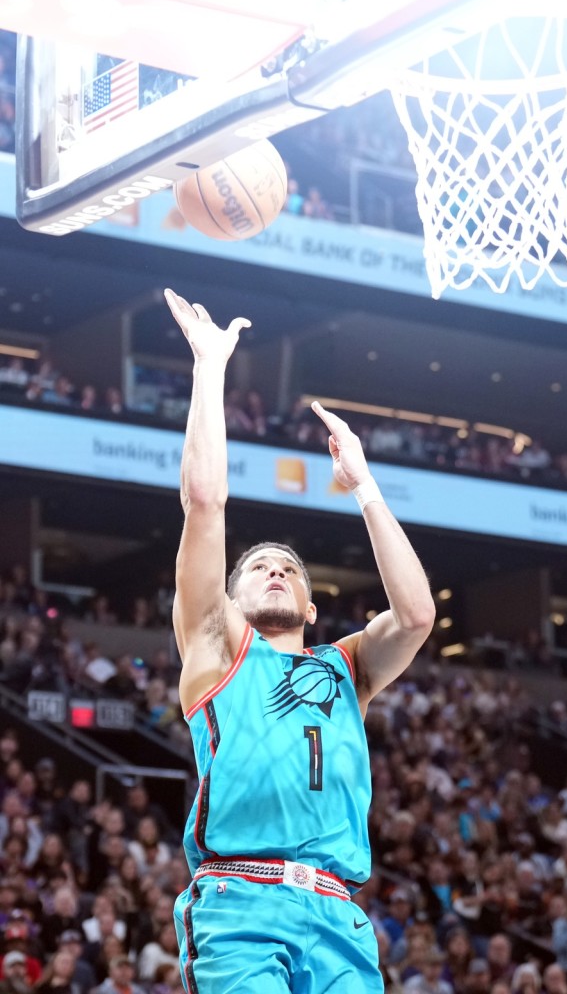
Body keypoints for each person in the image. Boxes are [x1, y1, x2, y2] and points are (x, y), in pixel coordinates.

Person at [164, 289, 435, 994]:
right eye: (259, 566)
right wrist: (210, 368)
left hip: (339, 916)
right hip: (240, 899)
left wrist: (364, 485)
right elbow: (204, 503)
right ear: (231, 601)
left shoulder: (347, 667)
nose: (276, 569)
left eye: (289, 568)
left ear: (312, 609)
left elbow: (415, 616)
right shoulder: (217, 649)